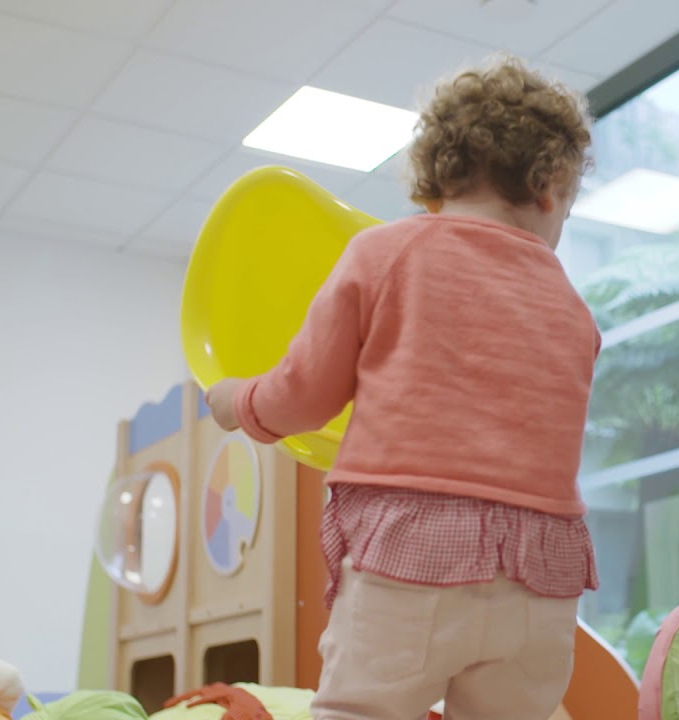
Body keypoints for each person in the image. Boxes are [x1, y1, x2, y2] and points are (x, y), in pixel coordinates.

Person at [204, 54, 600, 720]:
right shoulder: (572, 304)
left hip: (414, 558)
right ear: (549, 186)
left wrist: (237, 402)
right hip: (541, 573)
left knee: (364, 710)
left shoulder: (384, 254)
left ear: (436, 173)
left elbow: (305, 396)